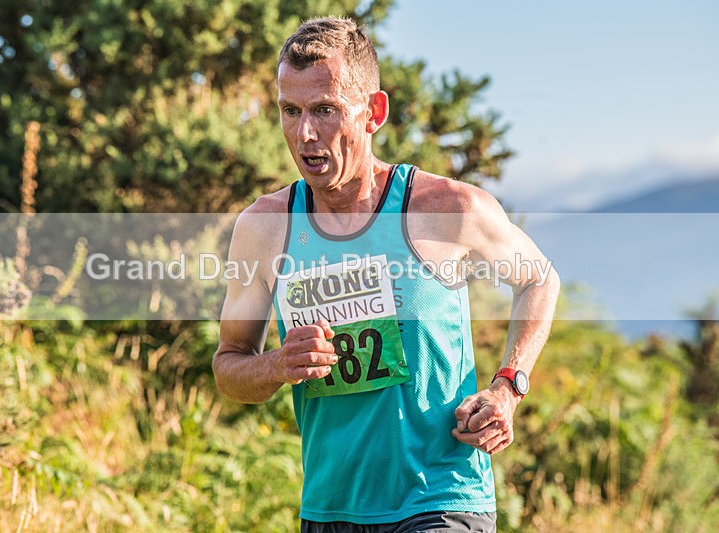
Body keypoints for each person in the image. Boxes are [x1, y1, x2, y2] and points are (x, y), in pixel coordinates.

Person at [212, 16, 560, 533]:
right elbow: (229, 367)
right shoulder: (264, 228)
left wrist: (507, 385)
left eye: (325, 110)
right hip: (331, 508)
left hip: (441, 499)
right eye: (291, 111)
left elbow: (539, 279)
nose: (305, 132)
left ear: (373, 112)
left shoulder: (448, 208)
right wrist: (277, 365)